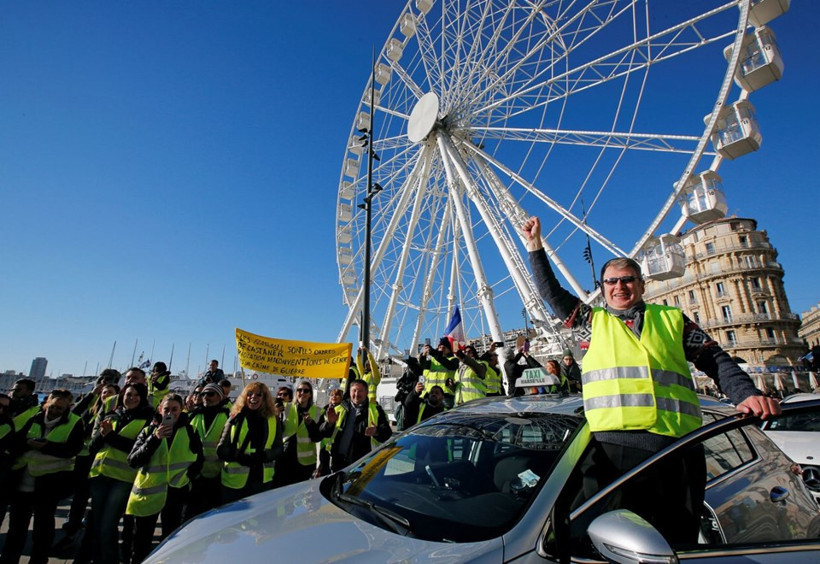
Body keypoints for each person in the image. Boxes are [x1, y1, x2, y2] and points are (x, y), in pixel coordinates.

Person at [522, 215, 780, 545]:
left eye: (628, 280)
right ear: (601, 290)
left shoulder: (673, 320)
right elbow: (552, 294)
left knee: (676, 539)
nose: (619, 287)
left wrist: (744, 393)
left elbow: (713, 358)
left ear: (642, 285)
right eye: (611, 282)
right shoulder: (591, 322)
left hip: (677, 446)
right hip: (613, 448)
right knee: (607, 541)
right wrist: (535, 247)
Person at [1, 390, 84, 564]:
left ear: (67, 408)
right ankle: (9, 558)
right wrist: (27, 444)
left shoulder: (75, 423)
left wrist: (46, 446)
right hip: (23, 479)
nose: (55, 411)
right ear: (47, 404)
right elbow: (14, 442)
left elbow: (73, 449)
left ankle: (38, 560)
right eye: (53, 407)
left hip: (49, 482)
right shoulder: (35, 418)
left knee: (43, 528)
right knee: (16, 527)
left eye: (60, 408)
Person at [125, 394, 203, 563]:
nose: (170, 413)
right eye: (166, 409)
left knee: (171, 539)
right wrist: (155, 438)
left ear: (181, 409)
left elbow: (199, 458)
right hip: (148, 494)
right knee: (141, 542)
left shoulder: (190, 431)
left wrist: (188, 477)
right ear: (160, 410)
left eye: (174, 409)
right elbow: (133, 460)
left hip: (176, 492)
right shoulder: (149, 431)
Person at [87, 382, 154, 564]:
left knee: (108, 525)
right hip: (100, 474)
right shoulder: (112, 414)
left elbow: (138, 449)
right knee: (98, 524)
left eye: (136, 395)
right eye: (128, 394)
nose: (131, 398)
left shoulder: (147, 418)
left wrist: (110, 436)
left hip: (123, 478)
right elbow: (93, 446)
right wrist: (102, 434)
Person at [216, 382, 283, 505]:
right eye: (249, 394)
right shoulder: (234, 417)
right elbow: (220, 449)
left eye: (259, 394)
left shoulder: (273, 419)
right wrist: (237, 455)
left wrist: (264, 456)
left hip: (261, 480)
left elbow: (279, 448)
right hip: (234, 483)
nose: (253, 397)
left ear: (265, 398)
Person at [321, 379, 392, 473]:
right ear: (349, 392)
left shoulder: (376, 410)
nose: (356, 394)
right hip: (338, 463)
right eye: (354, 390)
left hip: (363, 465)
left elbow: (387, 433)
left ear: (366, 392)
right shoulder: (338, 409)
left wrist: (376, 431)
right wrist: (329, 424)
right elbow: (322, 434)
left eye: (360, 391)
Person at [185, 383, 231, 520]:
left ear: (220, 396)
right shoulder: (193, 416)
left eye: (210, 394)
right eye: (202, 394)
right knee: (191, 516)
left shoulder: (228, 417)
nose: (205, 397)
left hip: (218, 476)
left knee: (214, 517)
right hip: (195, 475)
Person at [276, 380, 323, 487]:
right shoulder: (285, 408)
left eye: (306, 391)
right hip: (285, 459)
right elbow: (278, 430)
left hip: (305, 463)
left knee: (300, 494)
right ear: (296, 392)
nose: (302, 393)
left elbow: (317, 438)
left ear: (310, 394)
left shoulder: (318, 411)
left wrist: (310, 424)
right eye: (299, 390)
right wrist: (276, 415)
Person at [419, 338, 459, 405]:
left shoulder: (453, 360)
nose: (442, 349)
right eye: (440, 347)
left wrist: (434, 353)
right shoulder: (432, 360)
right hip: (431, 394)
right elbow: (423, 365)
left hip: (446, 395)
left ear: (449, 349)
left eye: (444, 347)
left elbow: (448, 364)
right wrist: (424, 354)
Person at [315, 388, 343, 478]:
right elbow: (319, 427)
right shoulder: (325, 409)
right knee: (324, 469)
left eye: (337, 395)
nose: (334, 396)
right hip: (324, 445)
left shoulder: (343, 409)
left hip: (337, 445)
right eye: (332, 395)